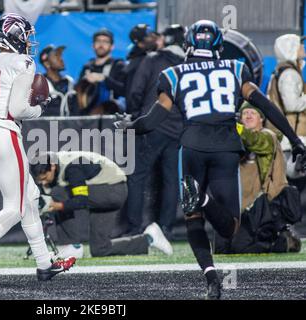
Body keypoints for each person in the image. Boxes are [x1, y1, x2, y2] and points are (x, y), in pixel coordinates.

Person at [115, 20, 306, 299]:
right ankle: (204, 202)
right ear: (218, 45)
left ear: (188, 45)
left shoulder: (173, 74)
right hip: (226, 147)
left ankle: (211, 278)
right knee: (230, 228)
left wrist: (129, 126)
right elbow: (266, 106)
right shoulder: (235, 69)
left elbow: (153, 120)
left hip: (192, 146)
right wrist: (297, 140)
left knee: (193, 219)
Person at [0, 13, 76, 285]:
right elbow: (18, 109)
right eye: (25, 35)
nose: (28, 41)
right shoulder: (24, 61)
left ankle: (44, 264)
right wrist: (40, 107)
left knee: (30, 197)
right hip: (5, 132)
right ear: (14, 36)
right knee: (16, 208)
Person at [30, 151, 173, 258]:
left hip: (113, 190)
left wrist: (56, 206)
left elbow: (81, 200)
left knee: (59, 192)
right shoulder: (56, 163)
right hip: (107, 190)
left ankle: (70, 245)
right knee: (100, 249)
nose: (44, 183)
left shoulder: (73, 167)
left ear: (53, 167)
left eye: (44, 178)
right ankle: (149, 238)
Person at [123, 24, 186, 238]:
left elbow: (135, 92)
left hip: (150, 126)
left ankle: (134, 228)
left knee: (137, 177)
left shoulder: (152, 60)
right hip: (178, 129)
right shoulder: (187, 65)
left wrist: (134, 116)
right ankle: (165, 229)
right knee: (171, 180)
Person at [214, 102, 302, 254]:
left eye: (252, 113)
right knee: (221, 249)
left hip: (260, 208)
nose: (248, 116)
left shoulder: (269, 137)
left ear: (261, 119)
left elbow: (254, 141)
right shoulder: (234, 141)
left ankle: (280, 241)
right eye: (244, 113)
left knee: (239, 248)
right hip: (237, 209)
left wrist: (234, 126)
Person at [267, 34, 306, 181]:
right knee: (295, 181)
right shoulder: (289, 73)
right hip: (291, 138)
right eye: (299, 44)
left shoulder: (285, 70)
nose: (302, 47)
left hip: (290, 137)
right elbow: (292, 104)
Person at [76, 28, 125, 115]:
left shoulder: (118, 65)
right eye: (98, 41)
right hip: (88, 119)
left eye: (105, 41)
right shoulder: (87, 67)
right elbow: (78, 94)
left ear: (112, 46)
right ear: (93, 45)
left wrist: (104, 79)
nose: (101, 45)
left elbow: (125, 90)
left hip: (111, 117)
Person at [39, 45, 78, 116]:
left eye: (61, 56)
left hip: (71, 126)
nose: (61, 59)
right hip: (49, 126)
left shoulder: (69, 82)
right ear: (46, 63)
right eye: (56, 56)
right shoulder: (40, 84)